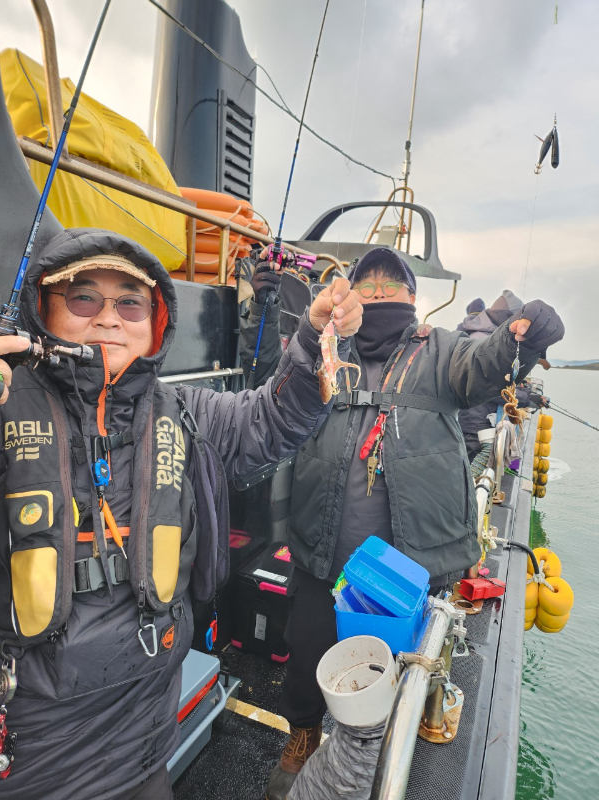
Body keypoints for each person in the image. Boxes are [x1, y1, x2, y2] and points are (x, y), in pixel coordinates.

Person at [0, 228, 362, 800]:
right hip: (31, 755)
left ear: (155, 320)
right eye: (84, 298)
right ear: (44, 309)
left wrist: (315, 334)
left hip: (143, 746)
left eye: (130, 302)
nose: (109, 318)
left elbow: (268, 420)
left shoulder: (185, 413)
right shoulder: (4, 405)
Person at [239, 247, 565, 800]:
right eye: (368, 283)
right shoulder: (326, 348)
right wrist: (262, 309)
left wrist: (522, 338)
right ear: (350, 295)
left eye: (393, 285)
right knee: (305, 654)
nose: (381, 292)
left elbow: (483, 366)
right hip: (320, 555)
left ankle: (382, 750)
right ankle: (303, 736)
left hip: (408, 569)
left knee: (395, 670)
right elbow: (269, 384)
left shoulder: (442, 351)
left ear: (413, 300)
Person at [456, 291, 542, 460]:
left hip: (480, 422)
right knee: (473, 472)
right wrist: (527, 398)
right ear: (508, 318)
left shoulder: (488, 337)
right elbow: (489, 385)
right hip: (475, 426)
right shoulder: (481, 340)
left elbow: (498, 377)